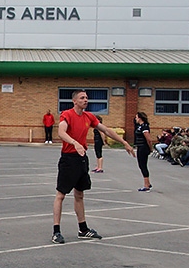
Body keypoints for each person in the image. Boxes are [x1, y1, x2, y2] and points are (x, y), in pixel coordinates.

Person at [51, 89, 135, 244]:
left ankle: (83, 229)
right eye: (82, 98)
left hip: (82, 159)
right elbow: (61, 132)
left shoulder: (89, 116)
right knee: (61, 195)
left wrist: (124, 143)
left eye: (87, 98)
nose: (86, 100)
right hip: (68, 159)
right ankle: (56, 231)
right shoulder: (67, 115)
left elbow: (106, 130)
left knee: (80, 194)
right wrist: (75, 143)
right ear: (74, 101)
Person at [134, 112, 154, 191]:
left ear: (140, 118)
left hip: (143, 147)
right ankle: (148, 183)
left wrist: (150, 148)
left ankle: (146, 185)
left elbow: (148, 139)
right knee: (140, 165)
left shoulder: (145, 127)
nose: (135, 119)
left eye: (136, 117)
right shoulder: (140, 126)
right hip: (139, 147)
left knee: (143, 165)